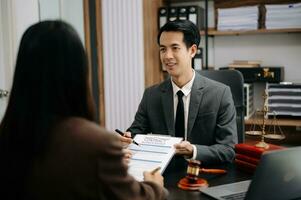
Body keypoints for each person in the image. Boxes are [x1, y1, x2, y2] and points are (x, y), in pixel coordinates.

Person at [0, 20, 166, 200]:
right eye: (163, 49)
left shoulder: (7, 134)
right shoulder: (98, 144)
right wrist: (154, 185)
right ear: (78, 71)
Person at [125, 20, 238, 165]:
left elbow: (228, 150)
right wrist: (127, 139)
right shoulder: (151, 95)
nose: (167, 56)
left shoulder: (220, 94)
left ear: (192, 50)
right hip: (162, 174)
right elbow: (135, 134)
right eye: (163, 49)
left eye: (175, 48)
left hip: (203, 173)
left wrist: (194, 151)